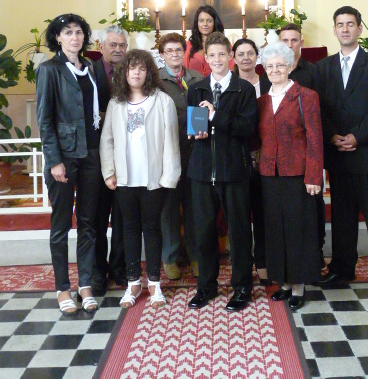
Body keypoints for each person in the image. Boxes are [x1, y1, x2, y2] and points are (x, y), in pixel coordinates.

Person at [314, 6, 368, 295]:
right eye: (340, 24)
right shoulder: (323, 67)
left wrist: (357, 137)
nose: (345, 29)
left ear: (360, 28)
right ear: (334, 30)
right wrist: (332, 135)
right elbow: (318, 108)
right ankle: (342, 268)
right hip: (339, 155)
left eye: (350, 24)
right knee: (342, 217)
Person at [100, 50, 181, 308]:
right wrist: (109, 172)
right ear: (124, 72)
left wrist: (169, 176)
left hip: (153, 179)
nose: (136, 73)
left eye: (142, 68)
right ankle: (133, 282)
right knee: (130, 229)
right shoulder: (116, 103)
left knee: (153, 228)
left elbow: (171, 141)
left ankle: (155, 283)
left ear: (149, 73)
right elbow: (107, 140)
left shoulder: (162, 101)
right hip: (124, 179)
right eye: (131, 68)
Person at [186, 32, 257, 312]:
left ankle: (242, 287)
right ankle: (206, 286)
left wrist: (215, 116)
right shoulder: (197, 89)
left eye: (221, 54)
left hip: (234, 170)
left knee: (239, 232)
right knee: (203, 232)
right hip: (202, 171)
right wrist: (195, 132)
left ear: (230, 57)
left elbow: (246, 128)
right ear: (206, 57)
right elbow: (193, 126)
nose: (217, 59)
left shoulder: (244, 89)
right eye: (211, 55)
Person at [36, 13, 101, 316]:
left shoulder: (89, 68)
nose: (75, 37)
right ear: (57, 38)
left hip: (91, 154)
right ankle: (62, 287)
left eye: (79, 32)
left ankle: (85, 284)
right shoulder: (49, 69)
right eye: (68, 32)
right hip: (64, 156)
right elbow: (45, 120)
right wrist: (54, 161)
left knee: (88, 223)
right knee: (61, 224)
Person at [257, 42, 323, 311]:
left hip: (298, 174)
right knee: (275, 229)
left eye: (280, 65)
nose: (275, 70)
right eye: (270, 66)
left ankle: (298, 286)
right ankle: (283, 283)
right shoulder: (262, 100)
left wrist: (314, 176)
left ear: (289, 66)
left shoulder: (305, 96)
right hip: (268, 174)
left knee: (297, 230)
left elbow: (315, 138)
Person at [158, 32, 202, 280]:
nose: (175, 54)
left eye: (178, 50)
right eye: (170, 51)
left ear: (184, 53)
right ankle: (170, 257)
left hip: (194, 150)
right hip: (168, 152)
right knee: (169, 208)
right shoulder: (156, 80)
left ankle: (196, 256)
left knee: (195, 206)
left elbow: (202, 109)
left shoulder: (197, 77)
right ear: (162, 54)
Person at [92, 25, 128, 294]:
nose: (117, 49)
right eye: (112, 45)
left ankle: (119, 267)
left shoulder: (133, 73)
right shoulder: (89, 72)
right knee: (97, 216)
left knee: (123, 217)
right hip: (96, 155)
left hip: (127, 155)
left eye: (122, 45)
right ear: (101, 46)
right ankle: (97, 272)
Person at [232, 38, 270, 286]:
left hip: (267, 155)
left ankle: (264, 262)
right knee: (241, 215)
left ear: (257, 56)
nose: (246, 57)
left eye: (250, 53)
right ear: (233, 58)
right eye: (241, 53)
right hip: (238, 156)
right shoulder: (229, 84)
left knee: (264, 213)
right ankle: (243, 266)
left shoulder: (269, 81)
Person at [183, 5, 234, 77]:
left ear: (214, 23)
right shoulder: (188, 45)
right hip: (192, 83)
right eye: (201, 21)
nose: (205, 24)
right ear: (197, 23)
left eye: (209, 21)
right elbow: (183, 71)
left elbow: (231, 70)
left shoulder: (224, 44)